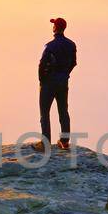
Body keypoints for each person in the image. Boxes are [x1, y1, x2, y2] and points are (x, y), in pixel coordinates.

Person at [36, 16, 76, 151]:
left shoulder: (50, 46)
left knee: (44, 113)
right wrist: (65, 74)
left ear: (55, 28)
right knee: (63, 111)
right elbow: (73, 63)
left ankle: (45, 144)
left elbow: (41, 65)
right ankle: (64, 141)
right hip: (63, 82)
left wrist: (42, 80)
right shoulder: (71, 45)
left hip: (49, 83)